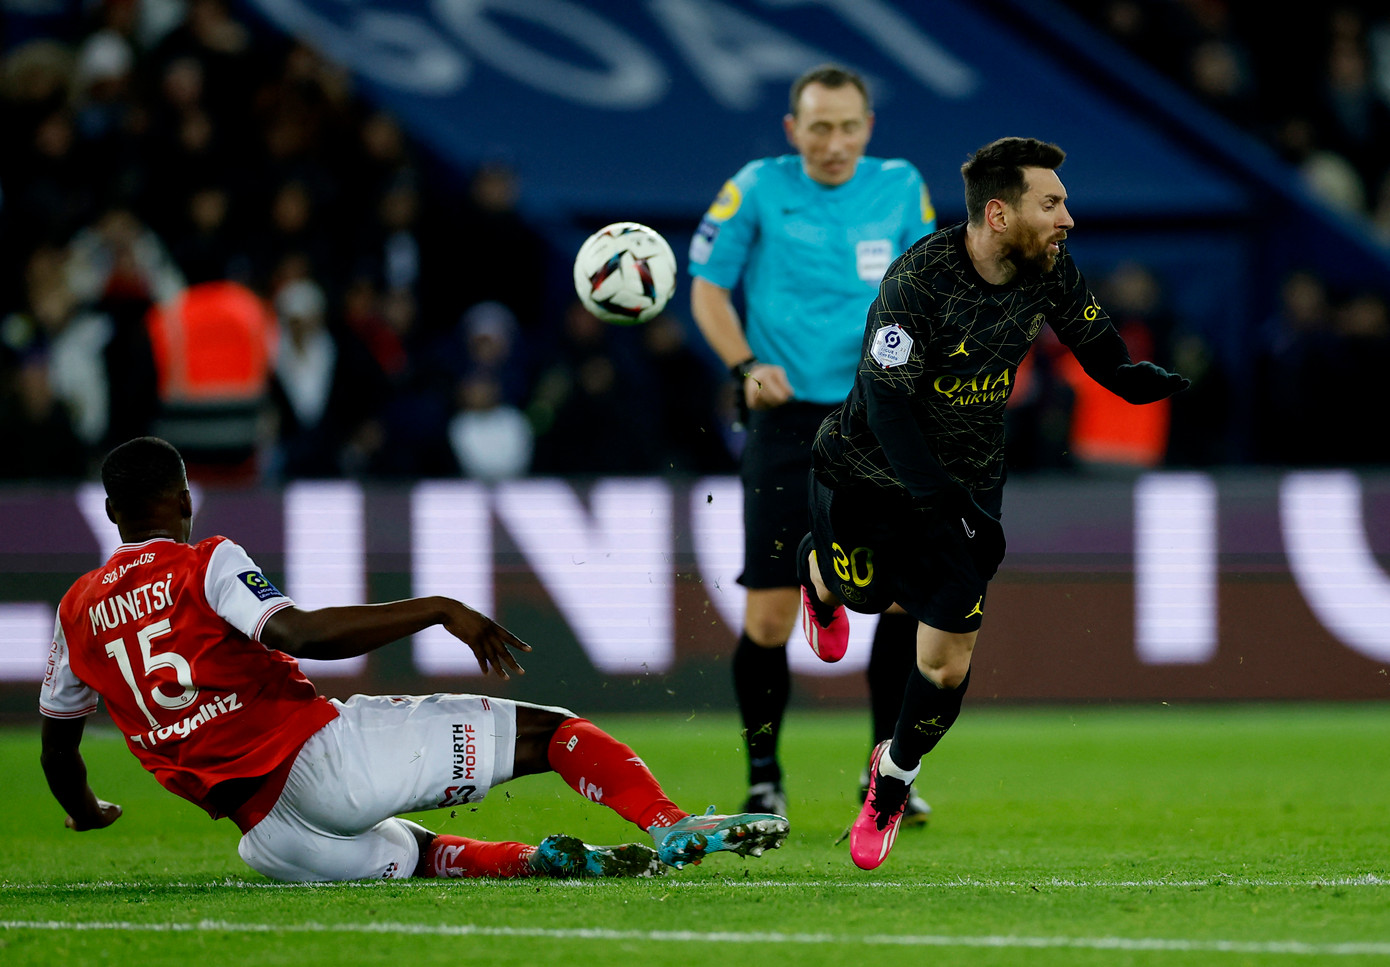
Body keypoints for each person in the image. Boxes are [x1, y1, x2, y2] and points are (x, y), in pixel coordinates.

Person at [39, 436, 789, 882]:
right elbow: (299, 634)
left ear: (110, 512)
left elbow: (58, 751)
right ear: (184, 498)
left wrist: (86, 811)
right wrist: (435, 607)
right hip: (323, 761)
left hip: (269, 836)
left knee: (420, 855)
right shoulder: (205, 561)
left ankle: (540, 861)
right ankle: (668, 822)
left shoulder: (75, 611)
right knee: (551, 731)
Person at [797, 138, 1189, 870]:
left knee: (946, 662)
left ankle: (892, 779)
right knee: (866, 597)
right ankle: (816, 572)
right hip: (869, 476)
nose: (1067, 218)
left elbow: (1093, 339)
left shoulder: (1048, 268)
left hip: (967, 486)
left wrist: (1132, 380)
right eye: (1053, 203)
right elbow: (885, 404)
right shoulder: (919, 281)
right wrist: (936, 497)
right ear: (1001, 214)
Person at [688, 64, 937, 819]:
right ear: (793, 130)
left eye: (848, 127)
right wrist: (744, 365)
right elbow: (707, 288)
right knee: (768, 618)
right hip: (787, 420)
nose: (834, 143)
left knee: (900, 602)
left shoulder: (901, 186)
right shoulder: (757, 187)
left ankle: (886, 777)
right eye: (819, 128)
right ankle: (764, 777)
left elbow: (932, 293)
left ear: (868, 128)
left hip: (879, 419)